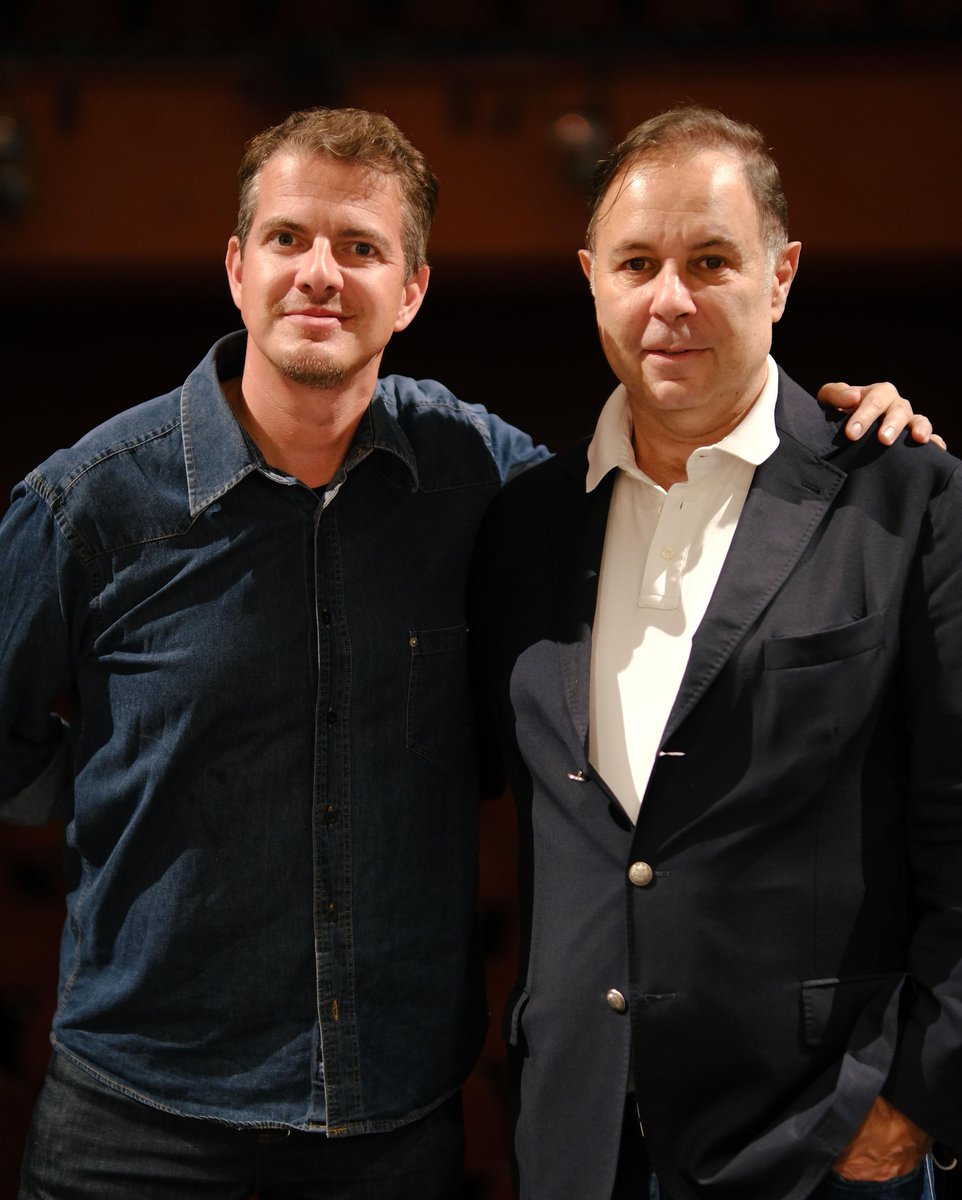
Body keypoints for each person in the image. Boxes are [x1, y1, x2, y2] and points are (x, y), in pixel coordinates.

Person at [0, 105, 939, 1200]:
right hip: (136, 1115)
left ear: (410, 291)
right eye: (288, 239)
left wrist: (837, 437)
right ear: (235, 267)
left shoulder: (483, 477)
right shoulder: (88, 502)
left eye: (361, 248)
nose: (320, 273)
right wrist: (120, 777)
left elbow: (669, 470)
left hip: (392, 1121)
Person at [470, 105, 961, 1200]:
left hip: (820, 1145)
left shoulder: (906, 497)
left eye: (710, 261)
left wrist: (915, 1099)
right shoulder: (526, 525)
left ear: (779, 276)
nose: (669, 301)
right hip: (580, 1144)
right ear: (591, 277)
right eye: (637, 263)